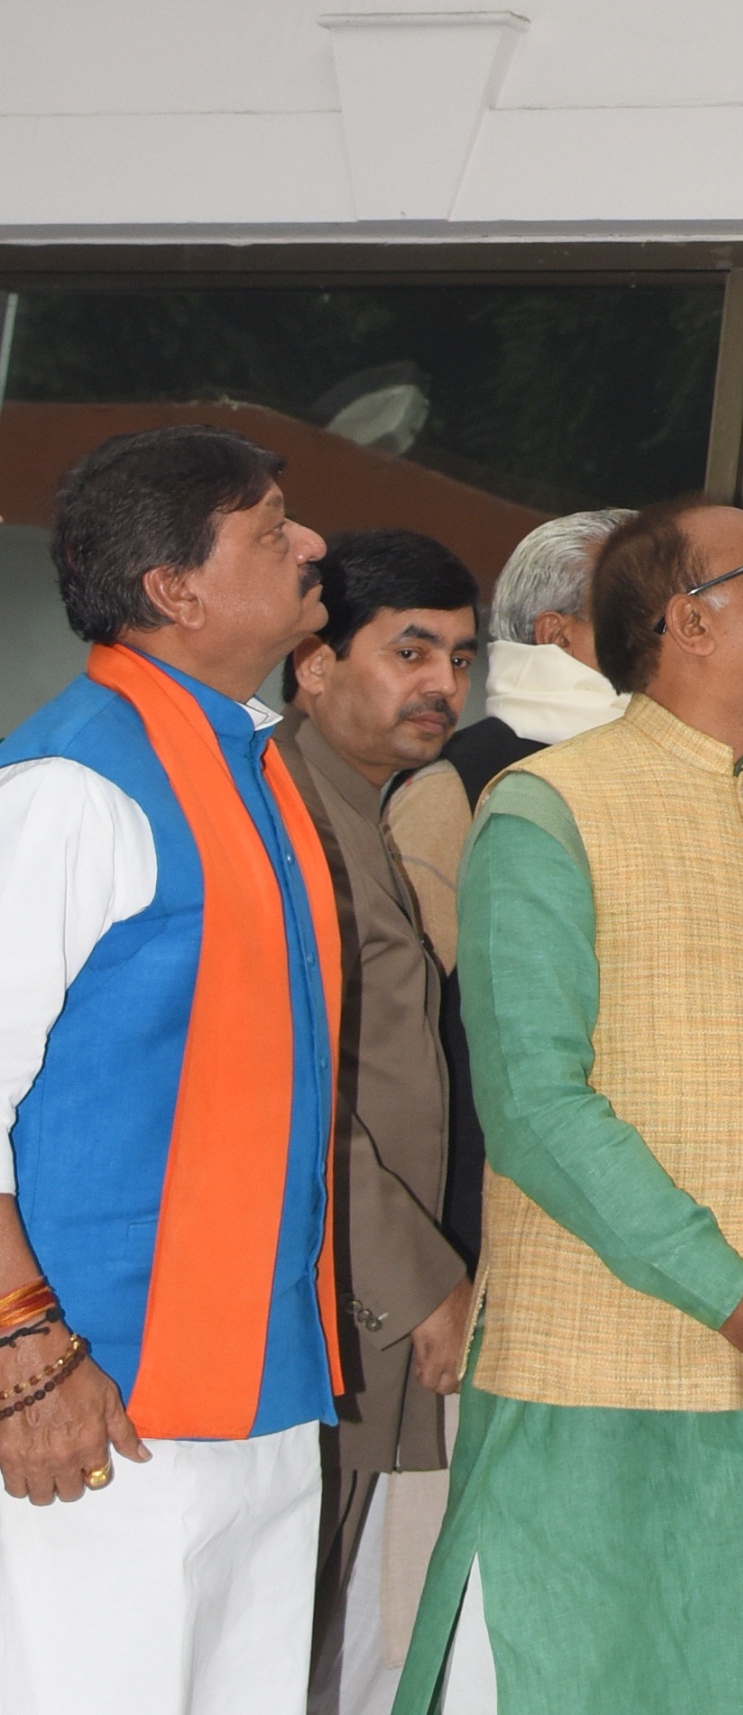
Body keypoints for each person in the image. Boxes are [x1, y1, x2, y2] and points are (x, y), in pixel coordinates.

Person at [396, 499, 743, 1715]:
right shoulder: (544, 808)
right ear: (687, 620)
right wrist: (727, 1291)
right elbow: (533, 1101)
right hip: (593, 1380)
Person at [0, 429, 342, 1712]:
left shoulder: (244, 761)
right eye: (271, 527)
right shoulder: (73, 781)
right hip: (91, 1398)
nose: (312, 545)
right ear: (172, 588)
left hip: (251, 1386)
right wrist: (25, 1349)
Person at [278, 534, 485, 1715]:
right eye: (409, 648)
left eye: (459, 655)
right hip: (315, 1311)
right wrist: (420, 1281)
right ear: (313, 663)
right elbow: (294, 1094)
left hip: (347, 1314)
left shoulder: (363, 813)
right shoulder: (285, 818)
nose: (441, 684)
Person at [390, 510, 631, 962]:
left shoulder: (685, 768)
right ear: (556, 636)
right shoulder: (450, 788)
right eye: (637, 614)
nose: (668, 635)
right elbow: (410, 996)